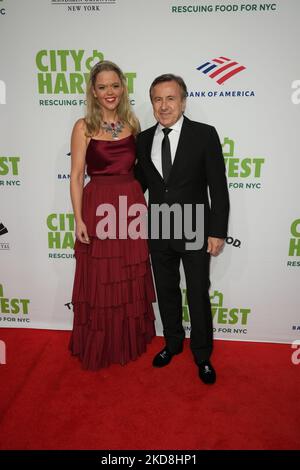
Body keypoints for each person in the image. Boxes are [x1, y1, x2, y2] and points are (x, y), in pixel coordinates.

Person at [134, 74, 229, 384]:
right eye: (158, 99)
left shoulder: (204, 135)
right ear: (152, 104)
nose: (164, 106)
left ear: (183, 101)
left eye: (170, 98)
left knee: (198, 293)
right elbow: (139, 184)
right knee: (166, 290)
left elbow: (218, 187)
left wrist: (216, 231)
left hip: (194, 227)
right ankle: (172, 343)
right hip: (159, 227)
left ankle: (202, 354)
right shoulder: (144, 139)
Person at [69, 61, 156, 370]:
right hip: (97, 206)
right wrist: (79, 219)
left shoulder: (132, 123)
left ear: (123, 88)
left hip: (130, 205)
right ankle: (103, 343)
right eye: (103, 86)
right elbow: (77, 175)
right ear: (93, 91)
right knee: (101, 278)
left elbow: (142, 171)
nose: (110, 92)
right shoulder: (84, 127)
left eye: (115, 86)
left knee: (128, 273)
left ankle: (127, 338)